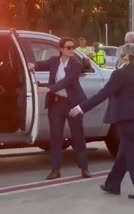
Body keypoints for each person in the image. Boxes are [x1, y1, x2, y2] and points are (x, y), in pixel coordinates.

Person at [69, 44, 134, 199]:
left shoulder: (119, 74)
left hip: (127, 118)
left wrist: (81, 108)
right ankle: (112, 184)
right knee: (125, 151)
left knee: (133, 154)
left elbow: (104, 93)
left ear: (120, 56)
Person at [28, 37, 90, 180]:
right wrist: (32, 65)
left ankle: (84, 168)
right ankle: (55, 170)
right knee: (55, 138)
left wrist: (49, 89)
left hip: (73, 104)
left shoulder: (76, 64)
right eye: (68, 47)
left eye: (73, 47)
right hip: (56, 104)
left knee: (78, 136)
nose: (72, 50)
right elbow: (41, 64)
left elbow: (68, 81)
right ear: (61, 49)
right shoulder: (54, 61)